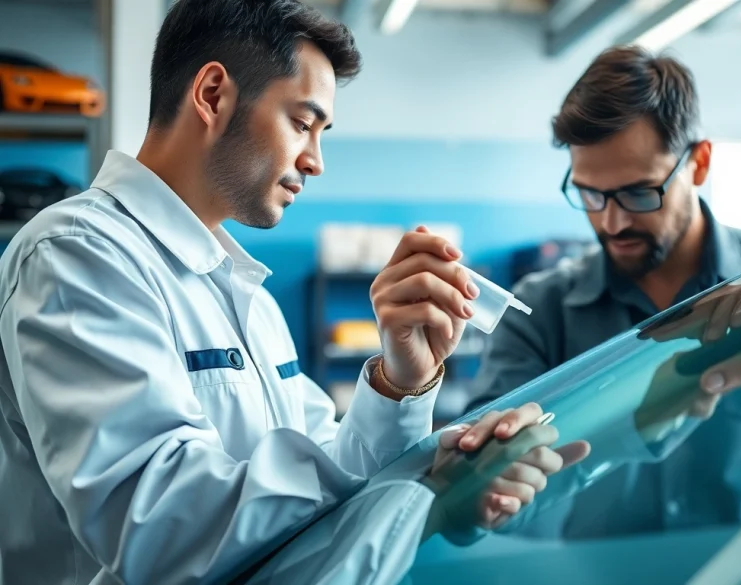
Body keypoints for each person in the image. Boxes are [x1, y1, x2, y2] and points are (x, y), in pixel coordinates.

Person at [0, 2, 586, 583]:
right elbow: (158, 526)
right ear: (211, 95)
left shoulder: (244, 291)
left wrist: (402, 387)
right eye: (303, 123)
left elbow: (326, 464)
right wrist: (416, 477)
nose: (316, 161)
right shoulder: (76, 253)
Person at [464, 45, 741, 539]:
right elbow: (480, 497)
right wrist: (487, 487)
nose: (612, 222)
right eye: (590, 194)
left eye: (639, 193)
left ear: (699, 164)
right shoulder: (540, 311)